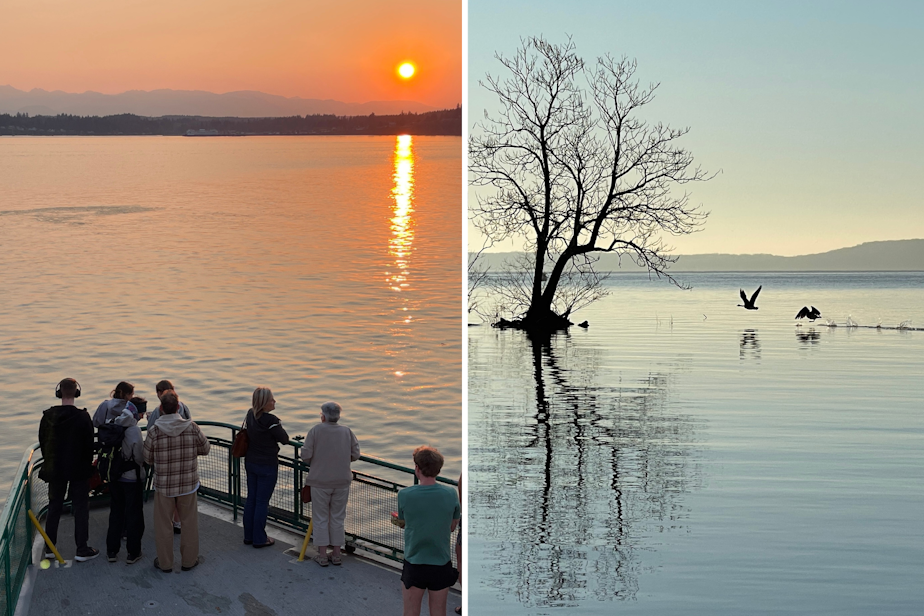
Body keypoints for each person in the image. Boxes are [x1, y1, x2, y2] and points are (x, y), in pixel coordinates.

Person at [143, 391, 210, 572]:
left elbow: (147, 458)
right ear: (179, 407)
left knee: (163, 525)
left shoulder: (154, 431)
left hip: (164, 486)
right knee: (189, 523)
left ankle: (165, 563)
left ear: (161, 409)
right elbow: (205, 448)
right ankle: (189, 561)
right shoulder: (192, 427)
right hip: (188, 484)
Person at [38, 378, 100, 561]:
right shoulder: (82, 417)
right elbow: (89, 445)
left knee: (54, 506)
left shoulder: (47, 417)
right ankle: (82, 549)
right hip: (79, 470)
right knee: (81, 508)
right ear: (76, 393)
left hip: (55, 469)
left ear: (59, 393)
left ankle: (49, 548)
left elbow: (43, 441)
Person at [395, 446, 460, 616]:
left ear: (417, 468)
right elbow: (452, 526)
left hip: (415, 562)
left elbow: (405, 521)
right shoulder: (451, 493)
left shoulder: (404, 495)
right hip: (440, 563)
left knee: (410, 612)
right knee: (438, 612)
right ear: (438, 469)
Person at [300, 401, 360, 566]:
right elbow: (355, 454)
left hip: (320, 481)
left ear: (323, 416)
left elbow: (305, 455)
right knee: (337, 517)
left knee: (320, 518)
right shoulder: (347, 431)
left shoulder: (315, 431)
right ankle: (336, 554)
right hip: (342, 481)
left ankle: (322, 555)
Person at [242, 387, 289, 548]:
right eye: (271, 399)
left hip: (251, 461)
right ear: (264, 403)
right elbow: (284, 439)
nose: (274, 401)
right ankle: (260, 538)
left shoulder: (250, 415)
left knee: (251, 499)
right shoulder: (271, 421)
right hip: (267, 465)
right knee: (262, 502)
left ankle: (249, 535)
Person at [105, 398, 146, 564]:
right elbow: (139, 456)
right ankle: (133, 553)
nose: (143, 416)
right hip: (131, 479)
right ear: (138, 412)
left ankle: (111, 552)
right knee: (133, 514)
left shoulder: (114, 422)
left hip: (114, 476)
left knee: (116, 513)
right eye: (142, 412)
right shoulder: (134, 430)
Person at [147, 381, 191, 534]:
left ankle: (167, 525)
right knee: (180, 494)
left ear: (160, 393)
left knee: (166, 497)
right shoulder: (184, 408)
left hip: (164, 461)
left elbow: (150, 433)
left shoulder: (156, 412)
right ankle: (178, 523)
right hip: (183, 460)